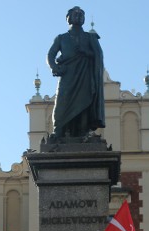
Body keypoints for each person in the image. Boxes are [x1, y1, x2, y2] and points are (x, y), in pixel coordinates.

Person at [46, 6, 105, 138]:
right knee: (62, 101)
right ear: (68, 19)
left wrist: (86, 52)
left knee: (84, 102)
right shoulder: (61, 38)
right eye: (75, 14)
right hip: (68, 74)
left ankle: (83, 131)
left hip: (85, 74)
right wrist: (54, 67)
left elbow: (98, 55)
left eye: (81, 15)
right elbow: (50, 55)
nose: (78, 17)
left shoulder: (90, 38)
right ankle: (59, 130)